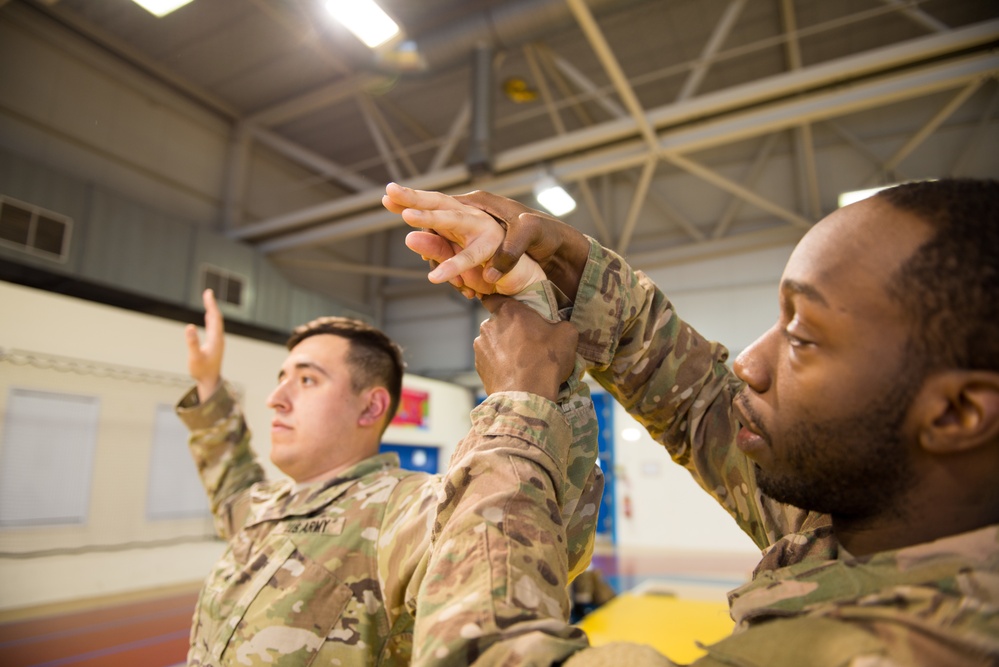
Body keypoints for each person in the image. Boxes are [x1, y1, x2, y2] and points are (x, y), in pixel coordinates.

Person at [383, 178, 999, 666]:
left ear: (957, 412)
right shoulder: (875, 517)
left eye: (804, 336)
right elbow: (702, 402)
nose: (753, 362)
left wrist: (518, 408)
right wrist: (568, 271)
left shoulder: (899, 648)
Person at [176, 273, 603, 666]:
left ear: (372, 406)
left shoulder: (402, 509)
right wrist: (209, 385)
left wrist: (542, 373)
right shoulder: (267, 506)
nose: (276, 398)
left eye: (306, 380)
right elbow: (231, 483)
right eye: (281, 378)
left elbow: (536, 525)